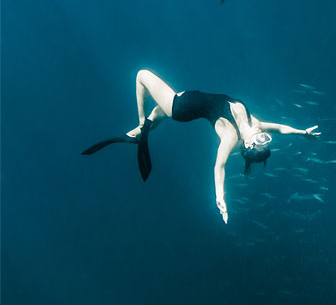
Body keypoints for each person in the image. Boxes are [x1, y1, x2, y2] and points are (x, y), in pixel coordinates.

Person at [83, 69, 320, 223]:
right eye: (265, 139)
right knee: (156, 114)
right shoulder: (253, 123)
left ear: (248, 144)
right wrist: (302, 133)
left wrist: (220, 197)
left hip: (180, 107)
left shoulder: (230, 137)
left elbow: (220, 167)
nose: (263, 136)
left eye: (260, 141)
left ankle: (139, 126)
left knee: (141, 75)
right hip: (187, 101)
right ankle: (138, 132)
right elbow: (280, 128)